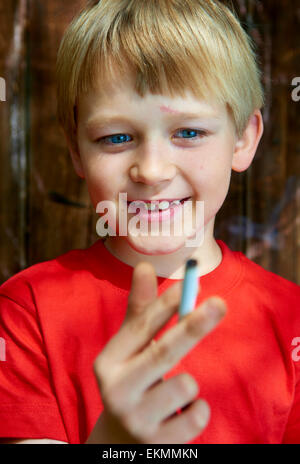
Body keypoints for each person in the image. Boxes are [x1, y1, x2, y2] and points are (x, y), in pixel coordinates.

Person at [0, 0, 300, 445]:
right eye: (116, 138)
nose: (153, 170)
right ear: (76, 152)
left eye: (188, 133)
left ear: (243, 139)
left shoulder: (291, 319)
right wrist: (113, 442)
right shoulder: (27, 312)